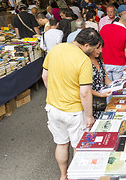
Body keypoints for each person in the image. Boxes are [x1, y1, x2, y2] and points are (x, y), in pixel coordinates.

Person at [42, 28, 101, 180]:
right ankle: (75, 176)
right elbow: (85, 92)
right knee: (78, 146)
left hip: (53, 107)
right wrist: (89, 116)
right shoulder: (83, 60)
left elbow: (45, 76)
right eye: (94, 48)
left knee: (61, 144)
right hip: (74, 111)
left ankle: (63, 175)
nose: (95, 51)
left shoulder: (56, 49)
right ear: (87, 45)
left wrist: (56, 93)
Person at [100, 12, 126, 81]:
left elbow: (98, 43)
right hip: (119, 63)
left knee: (107, 86)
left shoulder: (105, 27)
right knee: (118, 87)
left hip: (105, 61)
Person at [88, 38, 112, 116]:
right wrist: (100, 94)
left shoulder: (100, 61)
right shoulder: (86, 63)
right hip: (91, 104)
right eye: (97, 48)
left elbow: (106, 80)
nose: (100, 50)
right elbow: (85, 88)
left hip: (101, 103)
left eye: (101, 48)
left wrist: (117, 85)